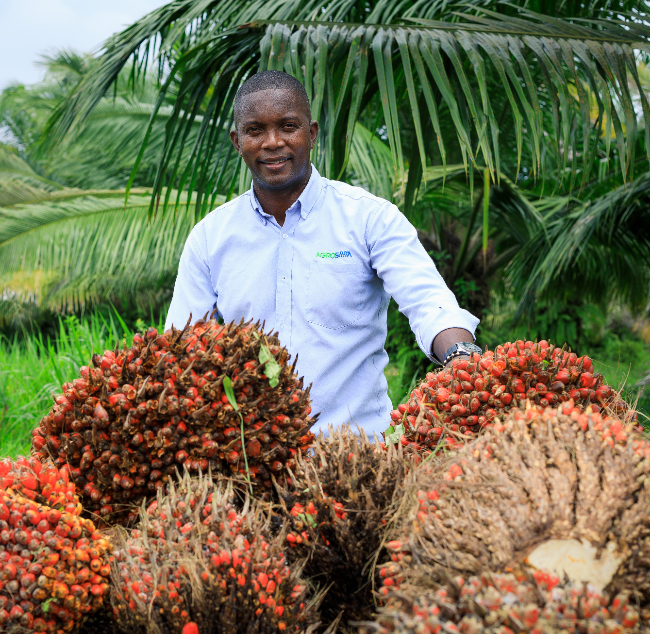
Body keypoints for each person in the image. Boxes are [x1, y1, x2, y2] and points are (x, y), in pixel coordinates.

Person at [166, 70, 480, 436]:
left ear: (311, 134)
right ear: (238, 141)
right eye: (255, 130)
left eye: (287, 126)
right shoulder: (210, 238)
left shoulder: (368, 218)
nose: (272, 142)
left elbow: (430, 304)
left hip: (360, 464)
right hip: (253, 464)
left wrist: (461, 357)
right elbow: (183, 348)